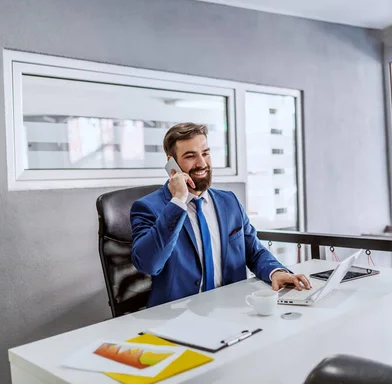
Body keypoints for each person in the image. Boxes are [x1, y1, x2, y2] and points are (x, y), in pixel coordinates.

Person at [130, 122, 311, 307]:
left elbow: (253, 252)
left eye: (205, 153)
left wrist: (276, 272)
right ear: (172, 164)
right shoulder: (148, 207)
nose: (201, 163)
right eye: (190, 156)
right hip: (177, 317)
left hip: (232, 309)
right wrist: (178, 201)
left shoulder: (229, 202)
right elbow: (149, 264)